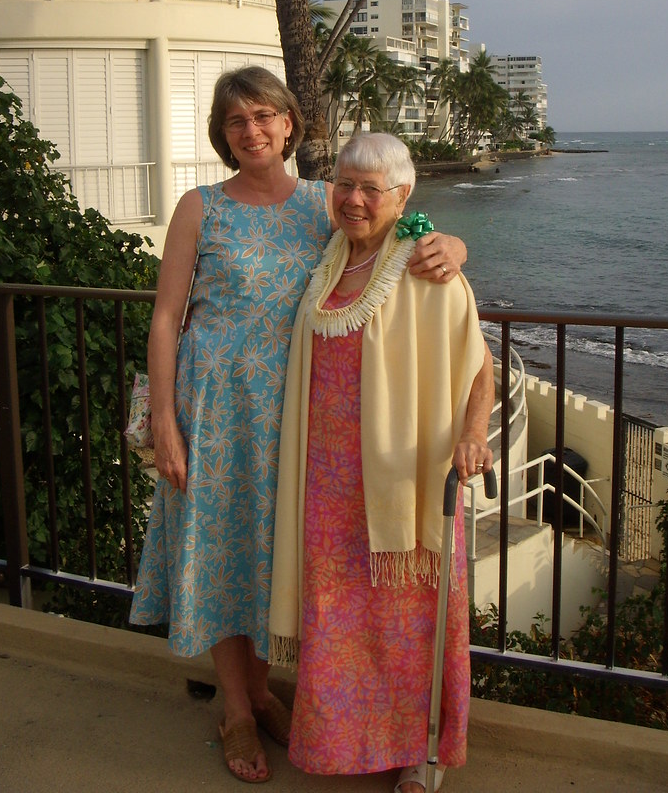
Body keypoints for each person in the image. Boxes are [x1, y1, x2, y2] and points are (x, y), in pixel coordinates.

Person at [128, 67, 469, 784]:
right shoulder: (201, 207)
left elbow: (404, 229)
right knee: (220, 550)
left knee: (265, 556)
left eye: (262, 116)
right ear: (224, 138)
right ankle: (236, 708)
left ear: (289, 124)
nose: (250, 131)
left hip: (301, 417)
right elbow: (165, 317)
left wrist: (455, 249)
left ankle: (262, 688)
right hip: (216, 410)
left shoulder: (326, 201)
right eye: (234, 123)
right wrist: (164, 420)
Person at [268, 132, 495, 793]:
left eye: (373, 188)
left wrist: (474, 434)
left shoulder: (425, 267)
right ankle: (343, 745)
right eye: (345, 184)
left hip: (403, 482)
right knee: (338, 624)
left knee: (408, 624)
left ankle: (421, 757)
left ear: (404, 197)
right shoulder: (330, 255)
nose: (355, 199)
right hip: (326, 483)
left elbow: (478, 363)